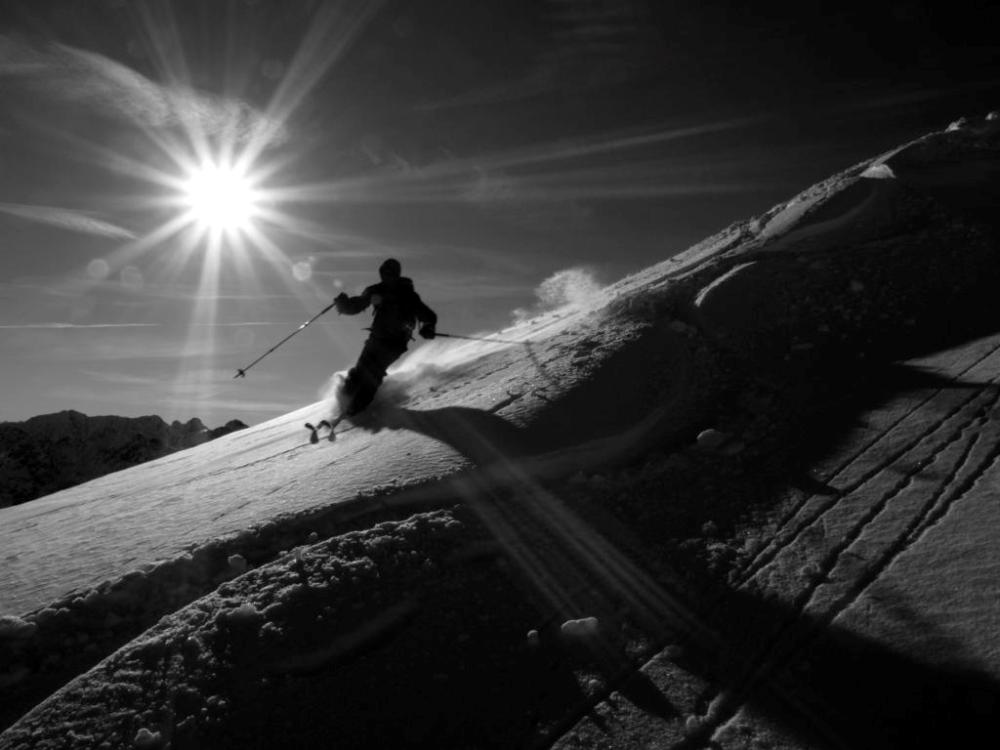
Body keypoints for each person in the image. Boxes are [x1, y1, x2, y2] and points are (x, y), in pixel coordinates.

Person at [332, 258, 437, 416]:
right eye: (384, 273)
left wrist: (428, 326)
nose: (387, 277)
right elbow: (357, 304)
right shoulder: (376, 290)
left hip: (395, 342)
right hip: (377, 338)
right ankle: (345, 403)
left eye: (391, 274)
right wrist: (343, 304)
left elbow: (428, 315)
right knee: (360, 370)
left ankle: (356, 409)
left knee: (373, 372)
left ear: (397, 274)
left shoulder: (408, 294)